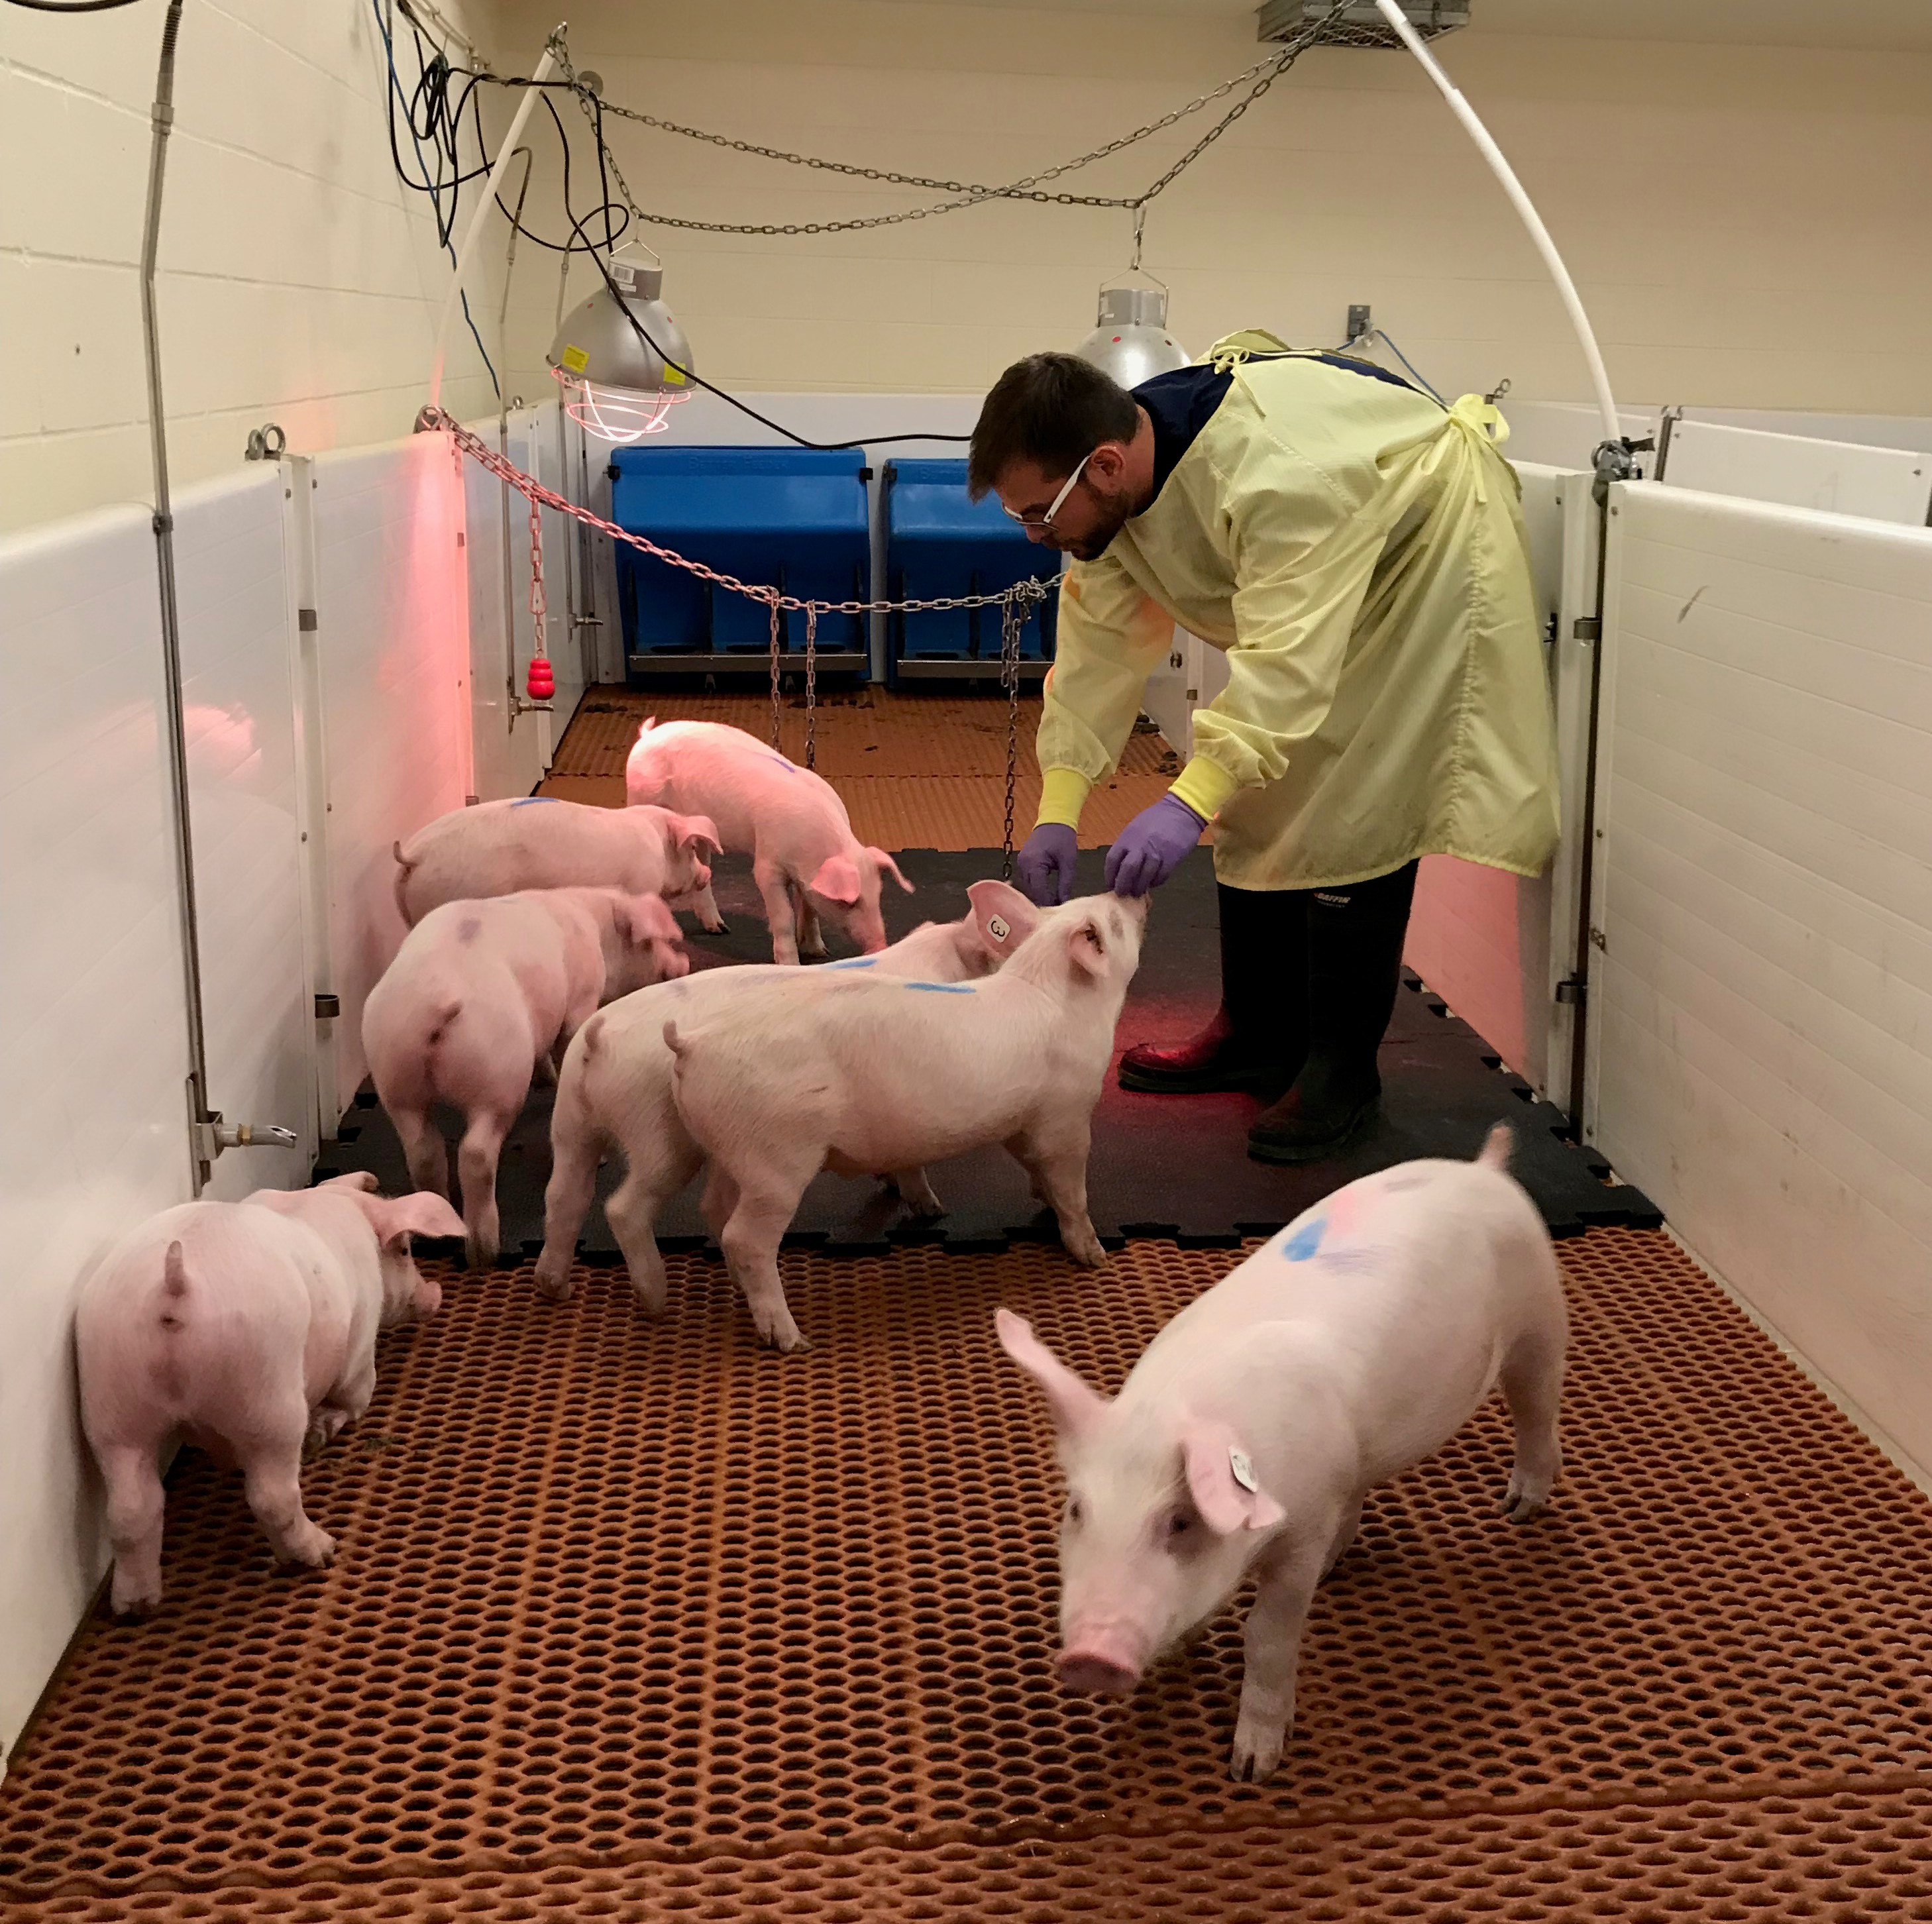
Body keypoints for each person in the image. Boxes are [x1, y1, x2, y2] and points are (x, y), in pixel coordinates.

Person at [967, 332, 1558, 1163]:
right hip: (1329, 566)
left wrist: (1184, 803)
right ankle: (1257, 1036)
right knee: (1252, 791)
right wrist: (1058, 808)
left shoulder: (1281, 478)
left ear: (1103, 466)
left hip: (1425, 560)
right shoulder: (1113, 491)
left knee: (1357, 801)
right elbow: (1096, 655)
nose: (1033, 534)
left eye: (1037, 513)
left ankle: (1344, 1077)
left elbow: (1287, 667)